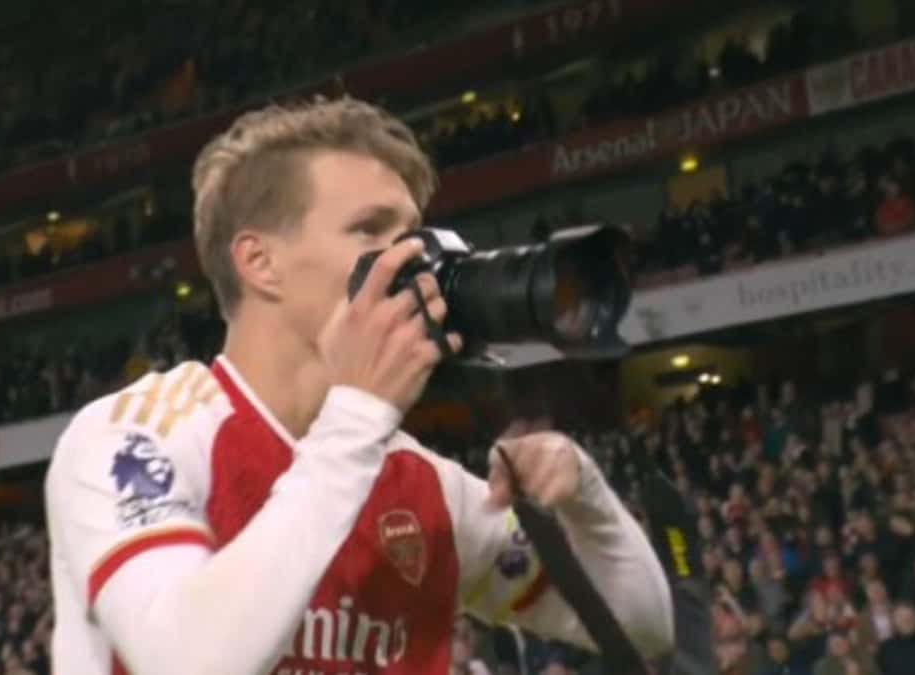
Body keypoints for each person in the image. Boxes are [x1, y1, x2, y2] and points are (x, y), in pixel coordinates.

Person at [44, 96, 673, 674]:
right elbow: (192, 663)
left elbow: (643, 627)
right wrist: (357, 417)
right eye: (371, 231)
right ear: (260, 263)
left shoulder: (427, 488)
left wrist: (585, 492)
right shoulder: (132, 439)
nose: (414, 261)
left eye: (413, 234)